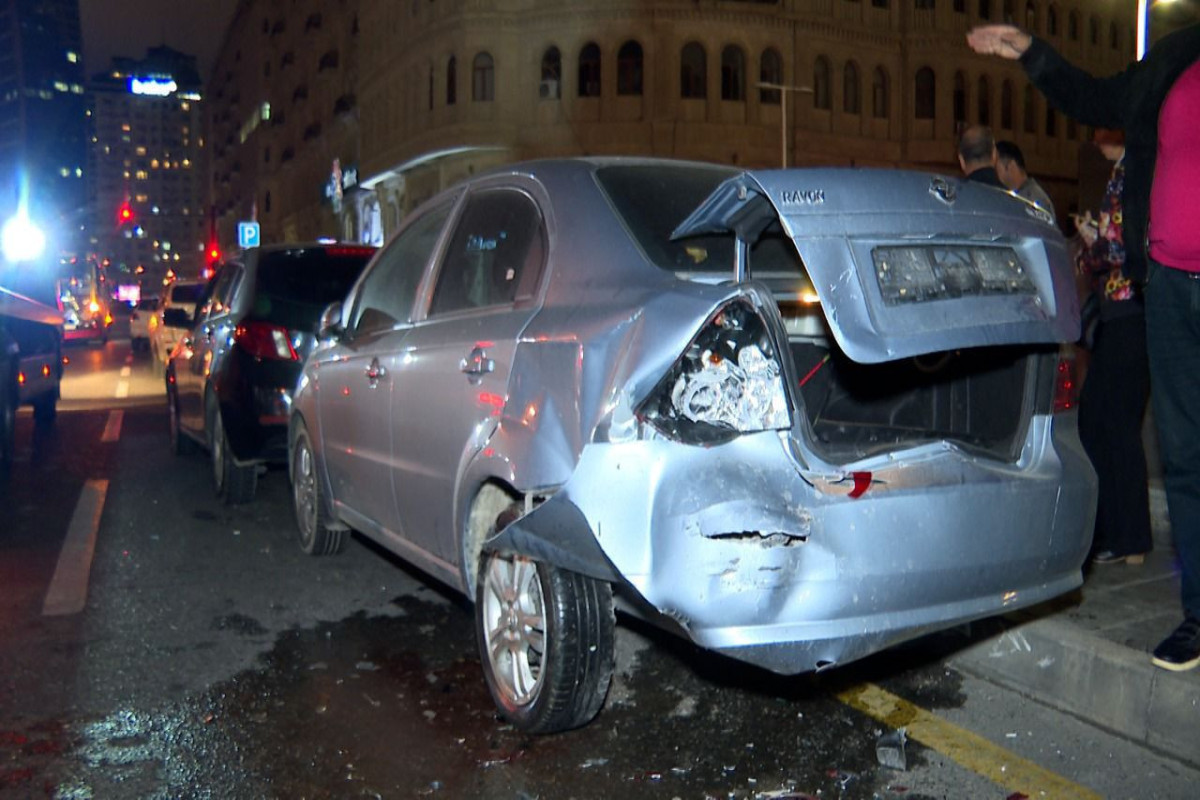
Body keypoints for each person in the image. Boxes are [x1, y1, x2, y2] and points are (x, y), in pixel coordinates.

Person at [967, 23, 1200, 673]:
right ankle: (1199, 614)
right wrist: (1031, 53)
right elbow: (1097, 98)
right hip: (1168, 289)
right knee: (1185, 457)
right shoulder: (1178, 56)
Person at [1072, 127, 1152, 568]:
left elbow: (1118, 246)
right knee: (1111, 423)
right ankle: (1123, 535)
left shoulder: (1128, 176)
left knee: (1106, 422)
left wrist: (1090, 249)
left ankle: (1125, 536)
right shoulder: (1130, 173)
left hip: (1127, 313)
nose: (1094, 138)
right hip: (1127, 314)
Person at [995, 139, 1057, 220]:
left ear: (1010, 166)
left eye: (996, 167)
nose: (994, 172)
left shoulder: (1033, 200)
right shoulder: (1020, 196)